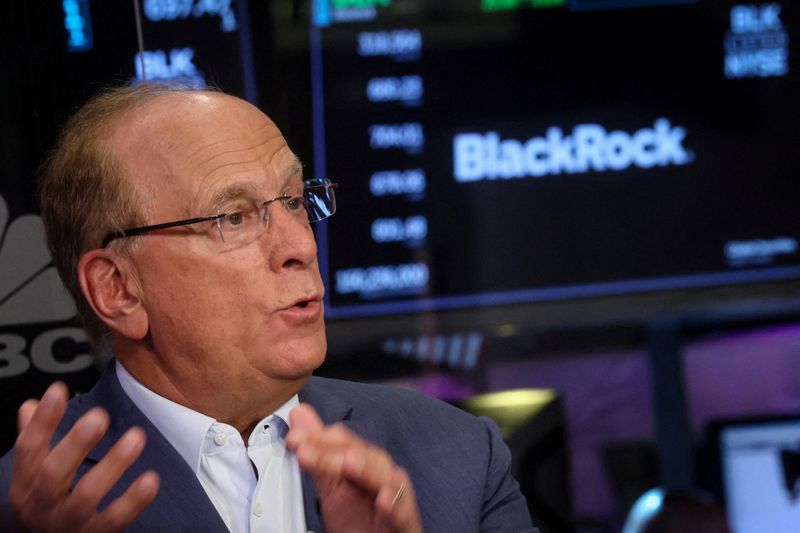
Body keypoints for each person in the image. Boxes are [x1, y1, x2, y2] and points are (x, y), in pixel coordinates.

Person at [0, 83, 535, 532]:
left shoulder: (457, 455)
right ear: (119, 288)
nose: (301, 247)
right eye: (233, 217)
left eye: (297, 202)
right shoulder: (27, 509)